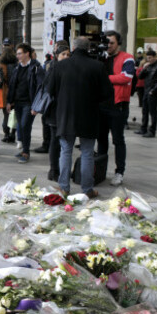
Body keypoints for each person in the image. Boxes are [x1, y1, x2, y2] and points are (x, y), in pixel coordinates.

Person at [47, 37, 113, 198]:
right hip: (89, 114)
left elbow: (50, 90)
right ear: (88, 48)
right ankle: (87, 188)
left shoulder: (60, 65)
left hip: (65, 114)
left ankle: (64, 187)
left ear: (74, 47)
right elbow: (107, 92)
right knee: (87, 152)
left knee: (66, 150)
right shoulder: (97, 66)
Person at [98, 30, 135, 186]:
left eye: (112, 43)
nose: (109, 46)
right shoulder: (102, 58)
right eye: (107, 43)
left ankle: (119, 171)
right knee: (101, 140)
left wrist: (105, 78)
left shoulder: (127, 58)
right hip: (102, 105)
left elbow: (126, 77)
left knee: (118, 140)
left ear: (118, 43)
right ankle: (100, 169)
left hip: (118, 105)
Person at [6, 43, 45, 163]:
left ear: (27, 54)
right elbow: (12, 85)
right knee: (20, 127)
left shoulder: (36, 67)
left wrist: (36, 106)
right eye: (17, 53)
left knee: (24, 126)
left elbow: (40, 87)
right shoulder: (17, 68)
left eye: (19, 53)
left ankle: (26, 152)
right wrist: (9, 101)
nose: (17, 56)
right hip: (18, 102)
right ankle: (24, 150)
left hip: (29, 103)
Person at [41, 41, 70, 181]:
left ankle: (61, 169)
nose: (66, 56)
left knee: (62, 141)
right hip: (54, 110)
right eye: (63, 54)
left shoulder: (71, 69)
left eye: (68, 54)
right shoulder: (52, 68)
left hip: (66, 110)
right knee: (55, 140)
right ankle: (54, 169)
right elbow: (48, 88)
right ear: (57, 56)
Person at [135, 49, 157, 138]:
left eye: (150, 58)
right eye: (148, 58)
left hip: (152, 92)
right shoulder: (148, 66)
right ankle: (143, 128)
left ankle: (152, 131)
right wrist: (144, 68)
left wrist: (154, 91)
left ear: (155, 57)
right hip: (146, 90)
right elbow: (140, 77)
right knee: (144, 111)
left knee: (152, 112)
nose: (149, 59)